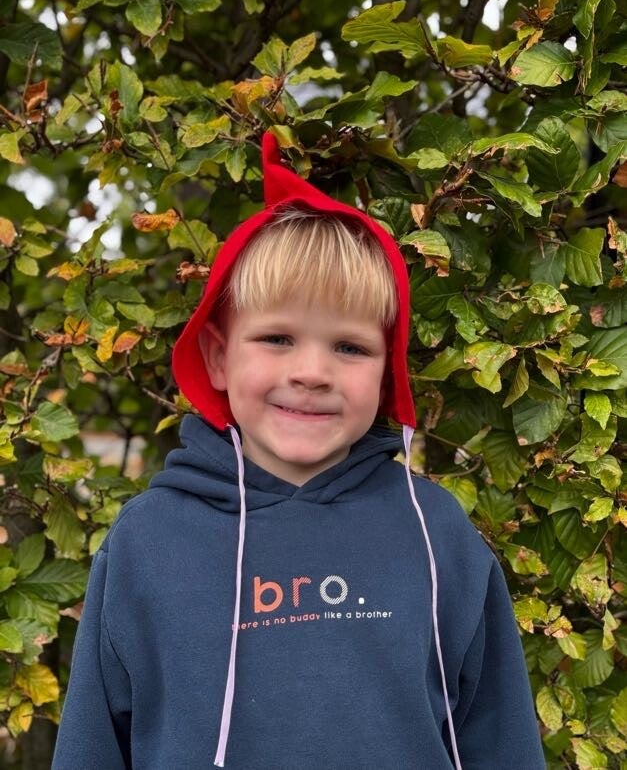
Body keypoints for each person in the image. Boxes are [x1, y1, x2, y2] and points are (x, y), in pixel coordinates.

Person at [52, 132, 545, 770]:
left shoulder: (437, 533)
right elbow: (92, 745)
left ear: (385, 374)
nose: (312, 372)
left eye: (350, 347)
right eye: (278, 338)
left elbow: (502, 740)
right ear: (219, 357)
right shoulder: (147, 543)